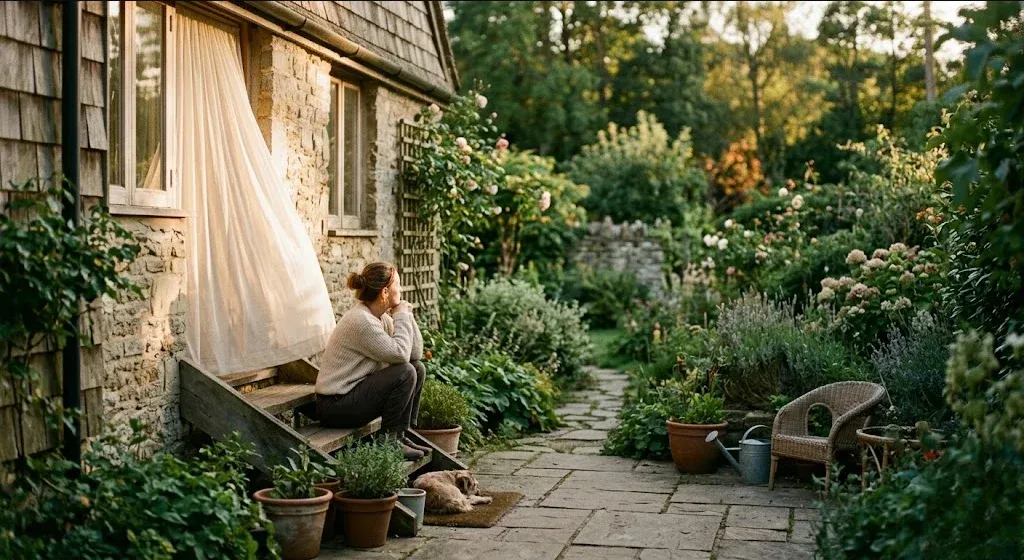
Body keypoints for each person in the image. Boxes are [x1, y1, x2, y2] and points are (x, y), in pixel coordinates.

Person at [316, 262, 431, 460]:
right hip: (335, 405)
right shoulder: (362, 321)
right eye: (398, 284)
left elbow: (415, 354)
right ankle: (389, 441)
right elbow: (401, 355)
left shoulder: (380, 318)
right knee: (405, 372)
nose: (401, 289)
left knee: (417, 368)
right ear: (385, 291)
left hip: (351, 396)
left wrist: (406, 316)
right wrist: (402, 315)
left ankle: (402, 435)